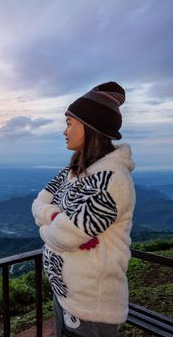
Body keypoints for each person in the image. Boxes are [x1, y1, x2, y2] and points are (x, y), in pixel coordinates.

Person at [31, 82, 136, 337]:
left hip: (92, 305)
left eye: (69, 123)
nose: (63, 131)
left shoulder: (111, 179)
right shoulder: (73, 171)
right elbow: (38, 203)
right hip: (66, 294)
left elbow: (63, 238)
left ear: (90, 126)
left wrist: (51, 227)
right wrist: (55, 217)